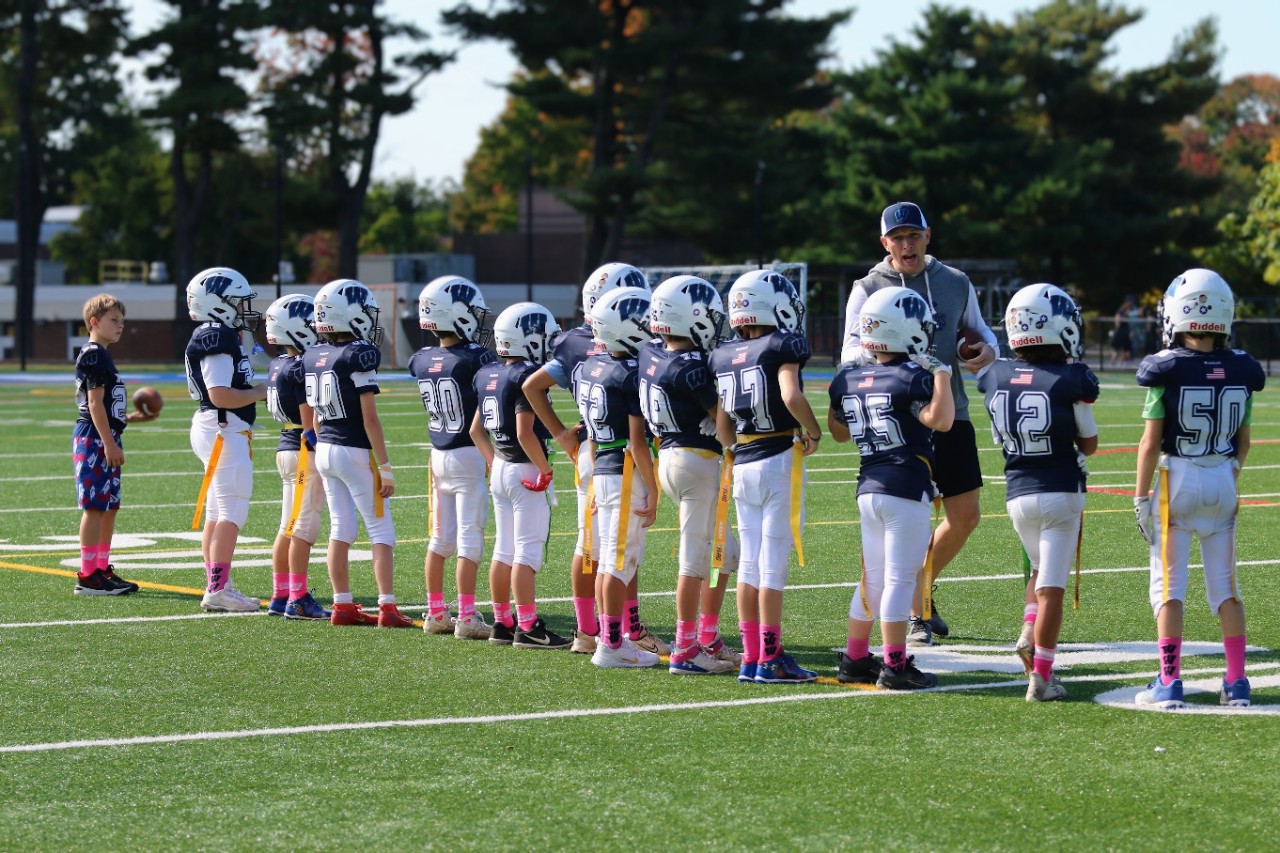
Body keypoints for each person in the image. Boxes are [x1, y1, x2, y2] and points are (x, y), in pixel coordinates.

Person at [839, 202, 997, 645]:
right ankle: (913, 615)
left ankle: (919, 588)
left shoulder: (954, 282)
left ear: (929, 235)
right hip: (896, 423)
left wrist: (985, 352)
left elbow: (981, 334)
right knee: (907, 522)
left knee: (965, 516)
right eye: (898, 237)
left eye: (914, 235)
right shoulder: (867, 287)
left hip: (951, 412)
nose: (906, 245)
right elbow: (849, 351)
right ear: (884, 242)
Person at [1133, 269, 1265, 709]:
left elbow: (1150, 443)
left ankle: (1169, 681)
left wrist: (1140, 496)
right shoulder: (1243, 369)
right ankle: (1237, 682)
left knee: (1169, 587)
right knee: (1227, 587)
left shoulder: (1166, 369)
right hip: (1223, 476)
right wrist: (1226, 476)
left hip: (1178, 479)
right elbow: (1244, 443)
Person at [522, 262, 668, 657]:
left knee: (593, 545)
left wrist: (563, 434)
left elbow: (534, 386)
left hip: (591, 450)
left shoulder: (577, 345)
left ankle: (591, 630)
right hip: (620, 455)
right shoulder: (624, 351)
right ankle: (622, 632)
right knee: (616, 548)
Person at [829, 286, 954, 690]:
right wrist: (941, 375)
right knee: (901, 578)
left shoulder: (848, 377)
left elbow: (839, 432)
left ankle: (854, 657)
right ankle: (896, 665)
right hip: (905, 486)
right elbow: (942, 420)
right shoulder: (912, 375)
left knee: (873, 579)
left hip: (869, 487)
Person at [978, 284, 1097, 702]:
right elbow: (1090, 442)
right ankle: (1042, 677)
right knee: (1052, 588)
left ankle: (1029, 633)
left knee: (1037, 571)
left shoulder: (994, 375)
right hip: (1060, 491)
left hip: (1017, 496)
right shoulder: (1073, 377)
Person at [711, 270, 824, 684]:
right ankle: (771, 658)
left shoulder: (723, 354)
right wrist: (812, 431)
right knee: (772, 565)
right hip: (777, 457)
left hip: (742, 460)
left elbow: (723, 425)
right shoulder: (783, 344)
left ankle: (751, 656)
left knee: (750, 566)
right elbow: (790, 395)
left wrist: (734, 449)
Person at [641, 275, 740, 674]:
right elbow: (725, 421)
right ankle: (685, 648)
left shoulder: (651, 352)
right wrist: (723, 420)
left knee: (725, 554)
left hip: (672, 456)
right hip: (695, 461)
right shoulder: (692, 368)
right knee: (695, 560)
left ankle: (708, 637)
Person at [305, 279, 413, 629]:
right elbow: (370, 418)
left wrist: (323, 444)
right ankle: (387, 607)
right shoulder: (357, 354)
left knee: (341, 528)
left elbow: (316, 414)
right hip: (353, 450)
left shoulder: (312, 355)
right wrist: (385, 465)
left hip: (326, 448)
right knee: (381, 530)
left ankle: (342, 605)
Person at [471, 302, 571, 650]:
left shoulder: (488, 373)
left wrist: (493, 463)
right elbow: (526, 432)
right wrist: (545, 469)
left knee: (504, 549)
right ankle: (528, 627)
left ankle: (502, 621)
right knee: (527, 551)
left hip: (501, 465)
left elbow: (475, 430)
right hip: (525, 468)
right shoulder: (524, 376)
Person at [580, 286, 663, 668]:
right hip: (627, 471)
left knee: (611, 560)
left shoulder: (591, 367)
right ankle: (611, 645)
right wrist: (656, 489)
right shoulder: (630, 374)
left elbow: (593, 434)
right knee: (617, 562)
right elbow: (638, 443)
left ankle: (611, 638)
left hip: (605, 469)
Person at [409, 276, 496, 640]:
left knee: (439, 540)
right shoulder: (475, 358)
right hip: (468, 453)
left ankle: (435, 612)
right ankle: (467, 616)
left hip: (437, 454)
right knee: (468, 539)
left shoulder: (420, 359)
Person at [184, 267, 269, 613]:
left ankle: (218, 584)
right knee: (232, 510)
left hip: (218, 427)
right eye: (236, 301)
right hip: (223, 427)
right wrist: (261, 392)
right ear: (217, 303)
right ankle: (218, 589)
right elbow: (219, 393)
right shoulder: (216, 335)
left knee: (218, 513)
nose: (243, 308)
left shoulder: (218, 333)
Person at [71, 294, 156, 596]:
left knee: (109, 507)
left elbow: (105, 406)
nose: (120, 326)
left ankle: (101, 568)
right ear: (94, 322)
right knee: (95, 507)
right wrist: (108, 443)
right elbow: (94, 404)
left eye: (122, 321)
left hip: (105, 436)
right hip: (95, 438)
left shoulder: (102, 354)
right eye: (114, 320)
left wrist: (128, 418)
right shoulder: (94, 354)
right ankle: (87, 574)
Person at [262, 294, 331, 620]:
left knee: (287, 526)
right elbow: (309, 419)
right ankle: (298, 596)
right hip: (304, 449)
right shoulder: (302, 365)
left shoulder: (278, 363)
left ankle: (281, 593)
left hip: (285, 447)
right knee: (305, 525)